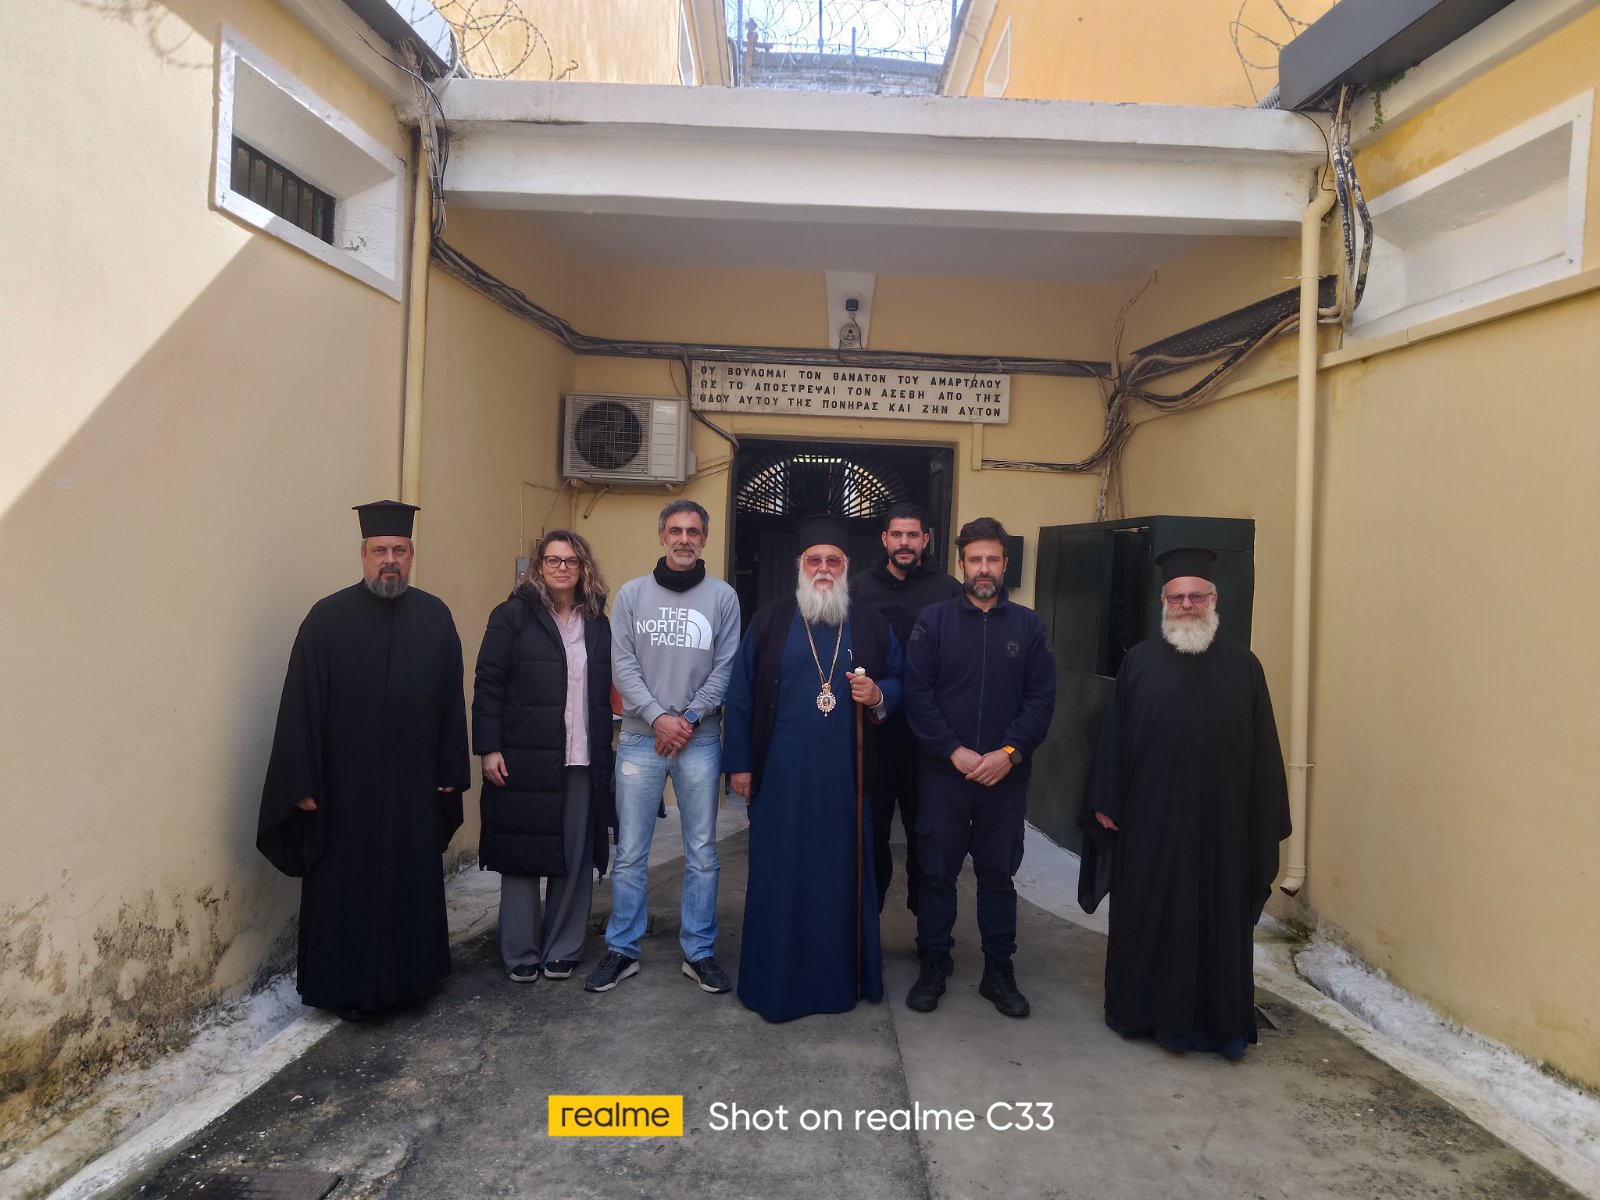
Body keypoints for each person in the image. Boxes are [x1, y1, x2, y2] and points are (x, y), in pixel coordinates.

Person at [257, 501, 470, 1020]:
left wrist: (450, 771)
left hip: (412, 789)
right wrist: (302, 782)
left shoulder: (435, 617)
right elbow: (300, 705)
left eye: (399, 550)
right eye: (379, 551)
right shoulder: (326, 620)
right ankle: (341, 988)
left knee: (408, 882)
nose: (389, 560)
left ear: (411, 555)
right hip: (343, 791)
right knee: (343, 888)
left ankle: (410, 983)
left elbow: (450, 700)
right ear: (363, 555)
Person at [1081, 547, 1291, 1059]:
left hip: (1224, 828)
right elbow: (1113, 738)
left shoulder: (1245, 666)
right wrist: (1106, 800)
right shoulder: (1139, 662)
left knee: (1217, 921)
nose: (1187, 605)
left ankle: (1218, 1027)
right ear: (1163, 604)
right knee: (1147, 914)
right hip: (1150, 824)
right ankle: (1139, 1013)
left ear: (1214, 600)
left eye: (1196, 596)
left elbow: (1264, 750)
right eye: (1177, 598)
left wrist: (1263, 818)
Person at [723, 514, 903, 1021]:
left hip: (845, 781)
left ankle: (836, 982)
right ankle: (776, 982)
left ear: (846, 567)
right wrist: (739, 766)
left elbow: (902, 679)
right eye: (814, 560)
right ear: (800, 566)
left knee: (836, 876)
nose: (824, 568)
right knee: (779, 875)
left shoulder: (871, 624)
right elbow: (740, 694)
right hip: (780, 778)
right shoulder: (771, 620)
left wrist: (878, 693)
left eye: (833, 561)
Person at [585, 500, 742, 995]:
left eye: (693, 531)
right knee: (631, 852)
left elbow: (727, 666)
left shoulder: (723, 597)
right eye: (676, 530)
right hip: (639, 738)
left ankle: (699, 951)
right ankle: (622, 949)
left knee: (702, 852)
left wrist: (688, 719)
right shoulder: (632, 595)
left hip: (700, 739)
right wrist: (658, 718)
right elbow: (622, 665)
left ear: (704, 538)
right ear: (662, 536)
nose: (684, 539)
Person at [903, 517, 1056, 1019]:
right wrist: (953, 750)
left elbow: (1041, 700)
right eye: (975, 559)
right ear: (961, 564)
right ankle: (934, 962)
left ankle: (998, 971)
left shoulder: (1030, 627)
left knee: (998, 876)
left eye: (992, 559)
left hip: (1005, 778)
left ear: (1005, 564)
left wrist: (1008, 754)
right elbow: (918, 695)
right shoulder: (933, 622)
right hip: (943, 774)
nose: (983, 568)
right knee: (936, 873)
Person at [472, 530, 614, 985]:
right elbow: (488, 684)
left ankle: (563, 948)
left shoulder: (597, 620)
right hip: (522, 755)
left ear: (583, 567)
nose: (561, 568)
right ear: (538, 567)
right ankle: (521, 952)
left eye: (570, 560)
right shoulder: (511, 616)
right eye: (553, 560)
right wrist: (489, 747)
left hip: (581, 756)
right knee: (521, 853)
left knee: (575, 855)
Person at [850, 501, 962, 916]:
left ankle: (929, 931)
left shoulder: (948, 590)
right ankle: (868, 928)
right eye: (896, 534)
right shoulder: (857, 588)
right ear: (884, 539)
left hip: (929, 739)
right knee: (871, 834)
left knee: (927, 835)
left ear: (925, 540)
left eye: (912, 535)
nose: (904, 543)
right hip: (872, 735)